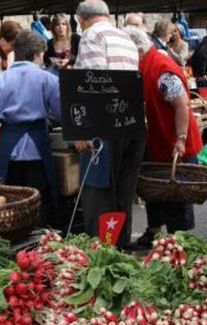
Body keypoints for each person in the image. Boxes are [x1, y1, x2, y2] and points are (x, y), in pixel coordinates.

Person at [73, 0, 143, 249]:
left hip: (106, 126)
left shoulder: (92, 35)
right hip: (131, 122)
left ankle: (102, 256)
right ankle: (120, 252)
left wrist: (83, 131)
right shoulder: (126, 37)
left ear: (81, 19)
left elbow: (94, 81)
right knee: (123, 195)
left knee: (98, 195)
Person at [124, 27, 203, 248]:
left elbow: (181, 105)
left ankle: (181, 240)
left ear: (137, 49)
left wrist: (180, 138)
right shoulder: (144, 65)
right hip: (157, 139)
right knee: (155, 189)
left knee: (178, 191)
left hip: (174, 139)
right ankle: (154, 231)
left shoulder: (161, 70)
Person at [0, 30, 60, 225]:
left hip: (9, 149)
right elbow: (59, 114)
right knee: (37, 200)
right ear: (38, 54)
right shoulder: (48, 79)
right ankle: (38, 239)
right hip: (37, 149)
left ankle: (13, 239)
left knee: (10, 200)